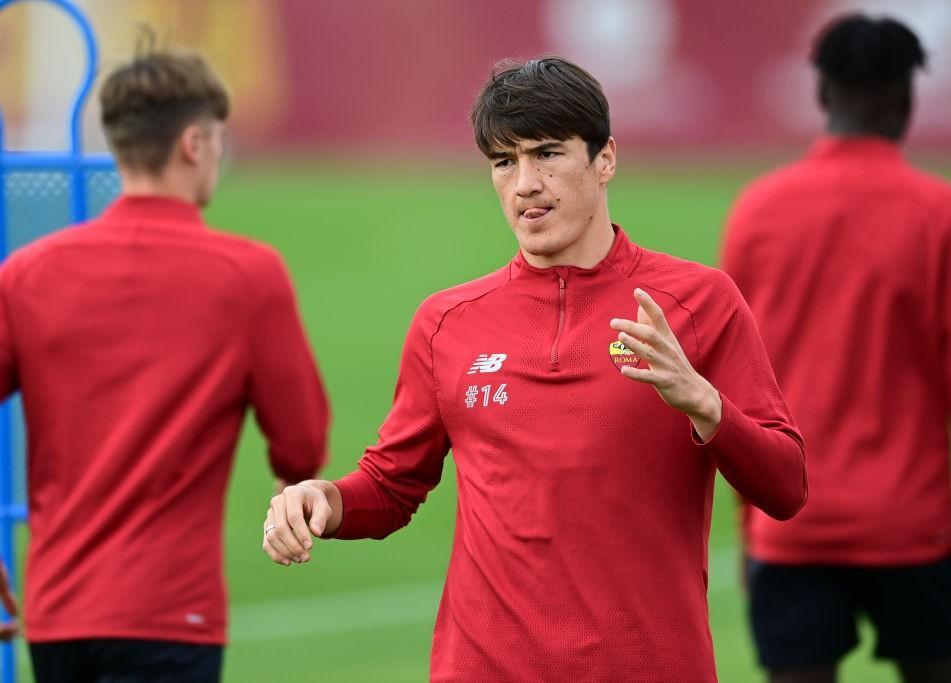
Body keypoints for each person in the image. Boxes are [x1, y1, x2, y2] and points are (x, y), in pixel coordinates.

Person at [263, 56, 806, 682]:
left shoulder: (698, 302)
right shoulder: (448, 321)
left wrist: (706, 406)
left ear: (605, 160)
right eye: (504, 161)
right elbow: (391, 486)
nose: (525, 183)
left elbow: (785, 488)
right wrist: (322, 502)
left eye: (547, 154)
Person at [0, 40, 330, 682]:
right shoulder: (247, 276)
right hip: (171, 614)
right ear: (192, 144)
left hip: (59, 616)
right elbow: (301, 442)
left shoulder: (29, 273)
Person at [721, 14, 951, 683]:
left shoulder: (759, 209)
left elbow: (733, 383)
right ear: (907, 98)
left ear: (823, 94)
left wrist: (752, 521)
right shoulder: (937, 212)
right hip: (909, 530)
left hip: (792, 527)